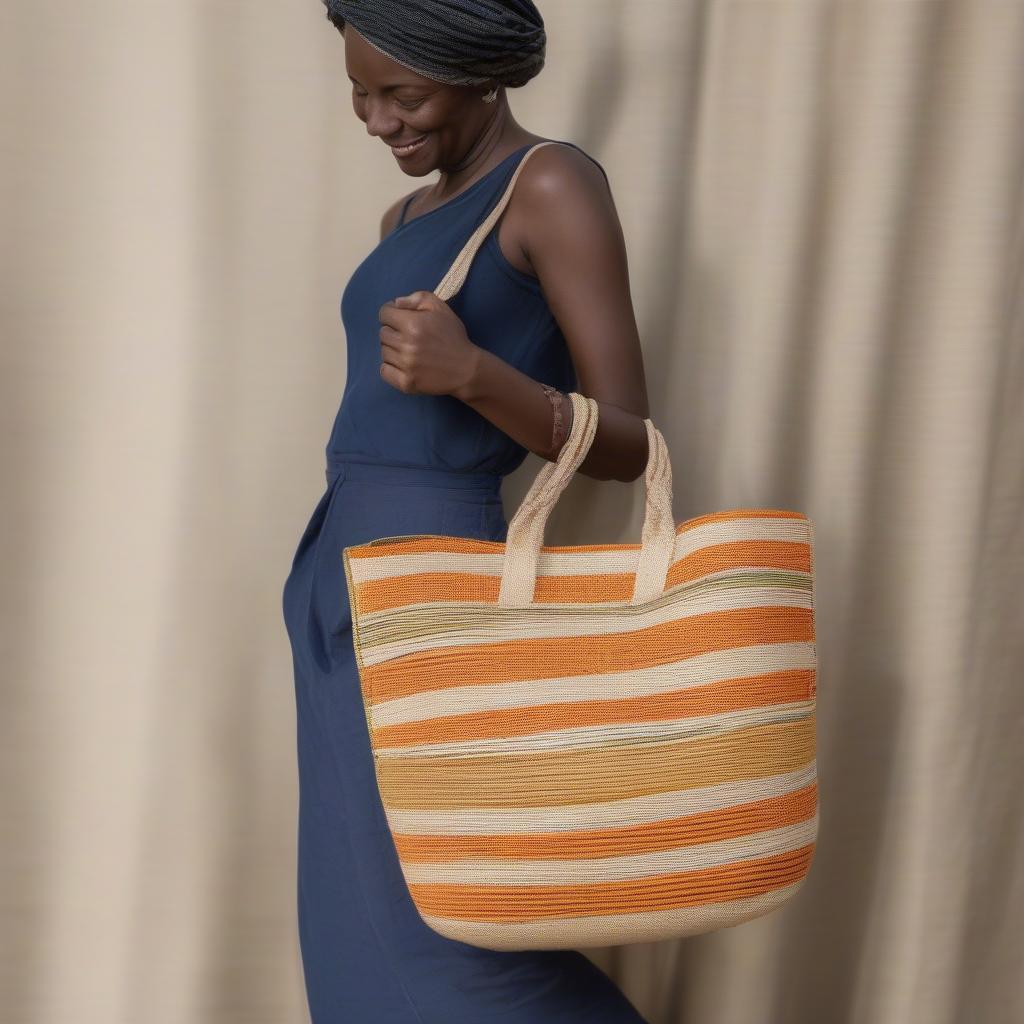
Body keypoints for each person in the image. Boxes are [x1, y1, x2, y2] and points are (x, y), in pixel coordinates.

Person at [281, 2, 652, 1021]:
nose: (377, 120)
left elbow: (631, 439)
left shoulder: (550, 184)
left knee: (447, 916)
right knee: (355, 908)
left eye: (404, 95)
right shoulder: (403, 222)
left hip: (433, 580)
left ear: (483, 75)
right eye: (361, 92)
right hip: (335, 573)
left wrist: (475, 373)